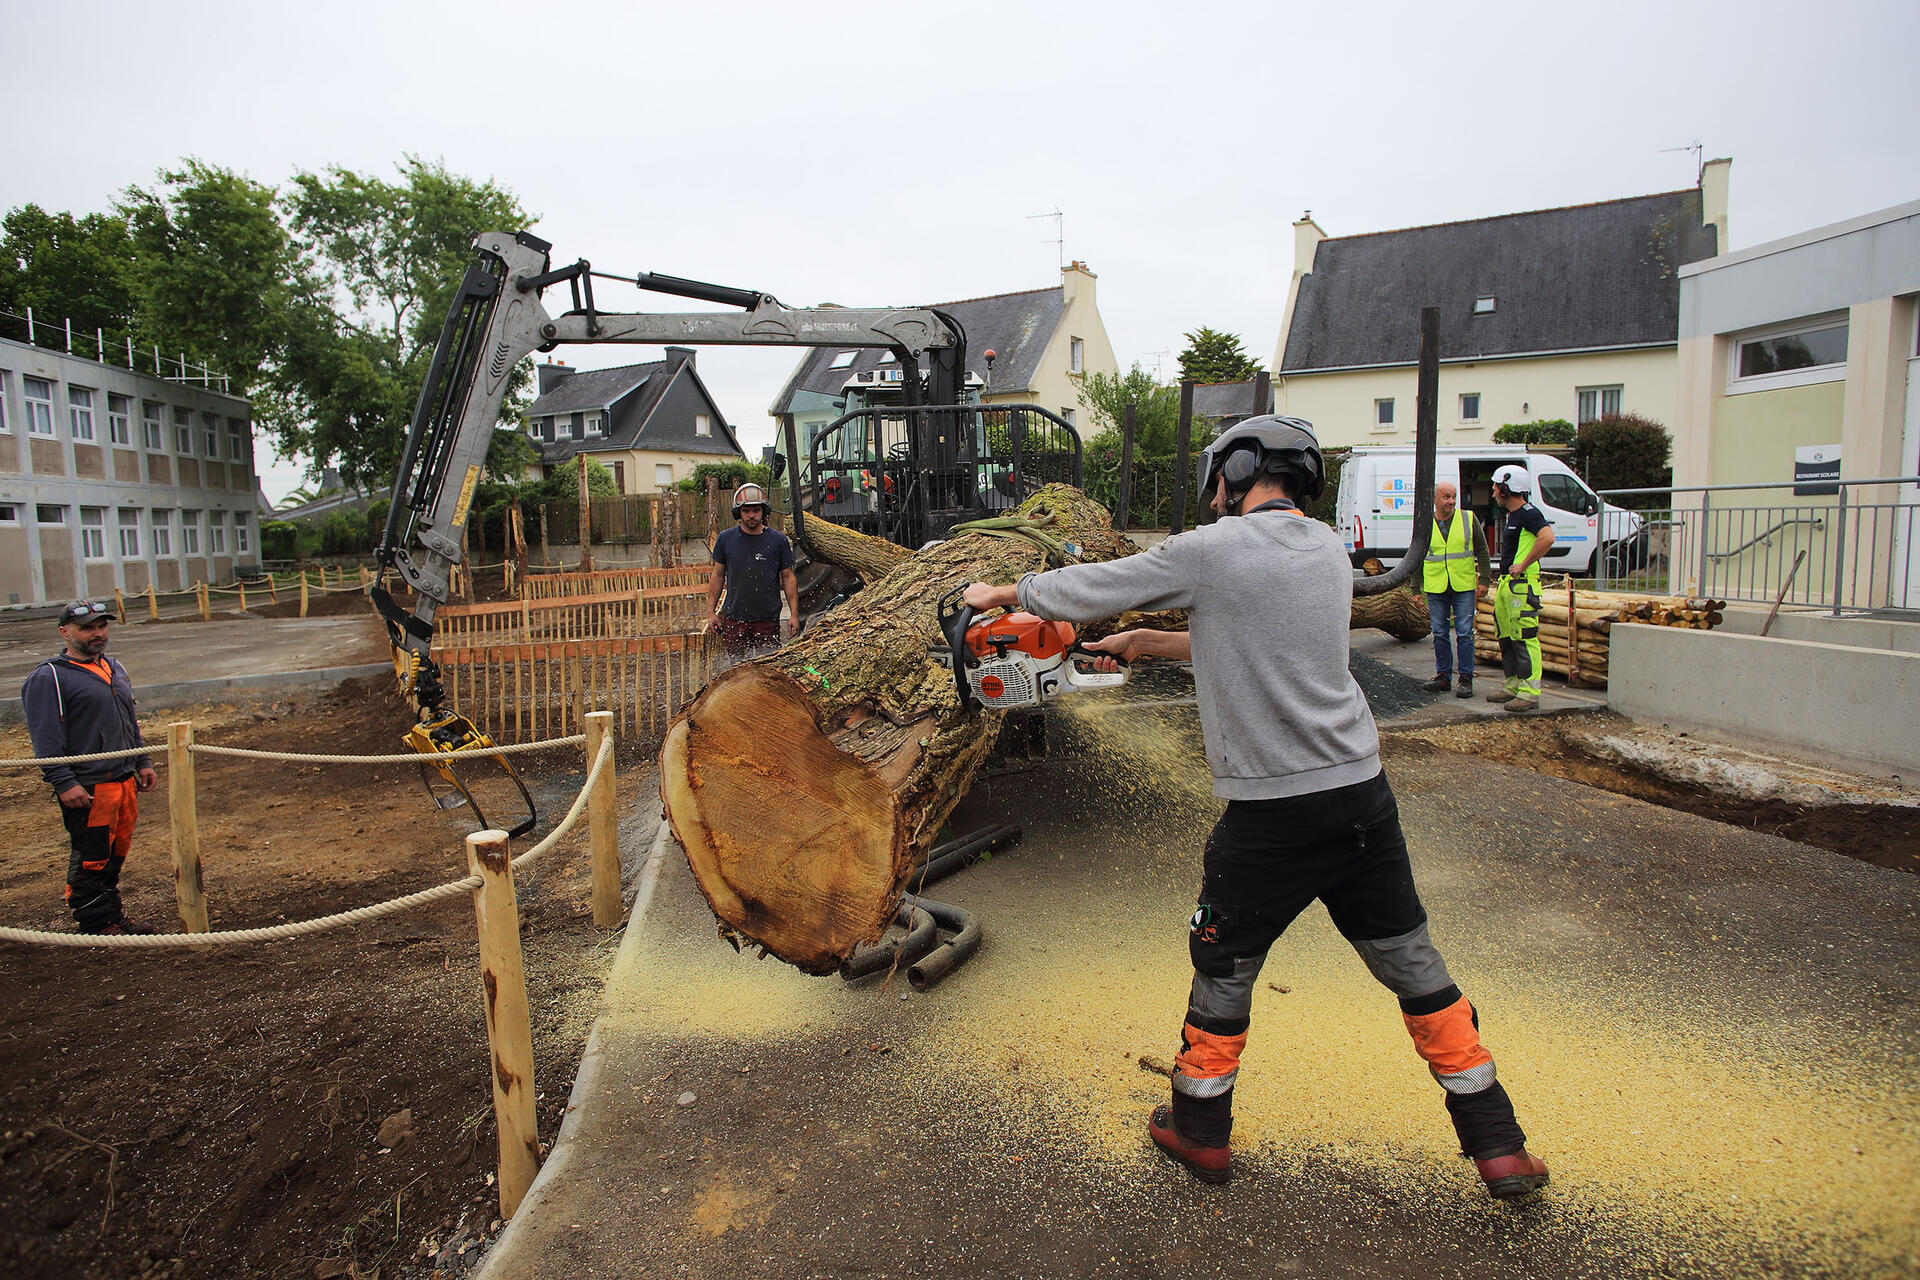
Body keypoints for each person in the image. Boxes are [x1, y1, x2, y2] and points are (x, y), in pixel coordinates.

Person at [960, 417, 1548, 1198]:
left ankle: (1199, 1131)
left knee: (1224, 967)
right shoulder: (1327, 551)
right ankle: (1497, 1142)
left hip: (1273, 815)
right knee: (1414, 966)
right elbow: (1257, 641)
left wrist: (999, 592)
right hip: (1360, 797)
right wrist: (1146, 643)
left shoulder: (1216, 548)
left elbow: (1100, 582)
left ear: (1237, 471)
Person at [21, 600, 160, 935]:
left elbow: (129, 721)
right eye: (87, 628)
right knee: (91, 855)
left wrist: (141, 760)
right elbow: (46, 736)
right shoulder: (50, 677)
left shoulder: (114, 667)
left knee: (116, 852)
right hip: (90, 786)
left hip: (123, 779)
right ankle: (95, 924)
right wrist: (62, 782)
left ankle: (111, 917)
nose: (97, 634)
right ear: (64, 632)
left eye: (102, 626)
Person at [1487, 465, 1555, 714]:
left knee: (1525, 638)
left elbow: (1547, 537)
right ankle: (1513, 685)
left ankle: (1529, 692)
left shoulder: (1529, 514)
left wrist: (1524, 563)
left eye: (1496, 486)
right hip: (1509, 585)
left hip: (1522, 585)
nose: (1493, 491)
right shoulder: (1514, 515)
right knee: (1507, 637)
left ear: (1506, 488)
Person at [706, 482, 798, 660]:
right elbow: (717, 576)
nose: (751, 516)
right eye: (746, 511)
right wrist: (711, 613)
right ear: (738, 513)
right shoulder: (726, 539)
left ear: (764, 511)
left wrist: (794, 615)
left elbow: (788, 577)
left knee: (767, 668)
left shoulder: (778, 541)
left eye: (756, 510)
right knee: (736, 670)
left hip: (767, 618)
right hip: (735, 618)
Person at [1420, 481, 1490, 698]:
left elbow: (1482, 550)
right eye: (1446, 497)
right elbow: (1417, 554)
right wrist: (1415, 588)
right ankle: (1443, 677)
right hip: (1436, 586)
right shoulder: (1425, 523)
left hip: (1463, 585)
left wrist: (1485, 580)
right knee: (1440, 633)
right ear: (1435, 499)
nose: (1451, 501)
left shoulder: (1468, 519)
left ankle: (1466, 679)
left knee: (1464, 633)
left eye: (1454, 496)